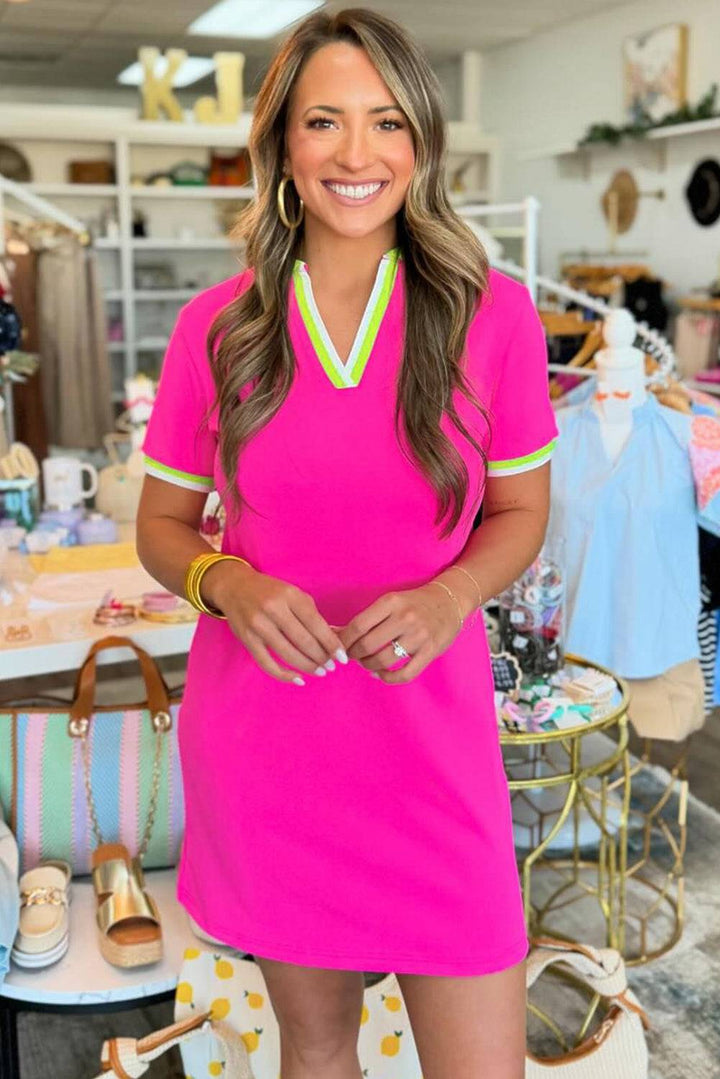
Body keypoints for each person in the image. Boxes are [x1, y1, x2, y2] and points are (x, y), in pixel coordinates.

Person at [136, 8, 558, 1078]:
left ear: (421, 144)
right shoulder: (220, 326)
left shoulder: (495, 316)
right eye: (324, 121)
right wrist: (222, 579)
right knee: (318, 1047)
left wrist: (453, 595)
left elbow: (520, 513)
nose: (357, 154)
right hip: (273, 748)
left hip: (433, 752)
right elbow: (162, 525)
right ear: (283, 145)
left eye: (386, 122)